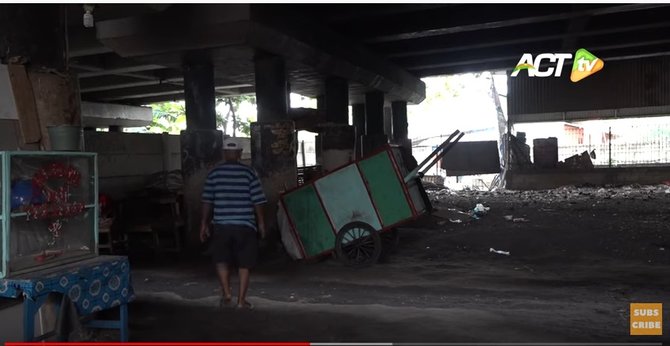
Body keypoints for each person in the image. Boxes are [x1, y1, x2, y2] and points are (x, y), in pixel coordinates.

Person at [200, 137, 267, 309]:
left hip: (221, 225)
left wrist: (203, 223)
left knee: (221, 260)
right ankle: (241, 301)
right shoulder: (249, 173)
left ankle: (227, 294)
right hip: (245, 226)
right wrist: (261, 223)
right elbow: (257, 200)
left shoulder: (214, 174)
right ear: (240, 153)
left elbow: (207, 200)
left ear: (223, 153)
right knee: (245, 263)